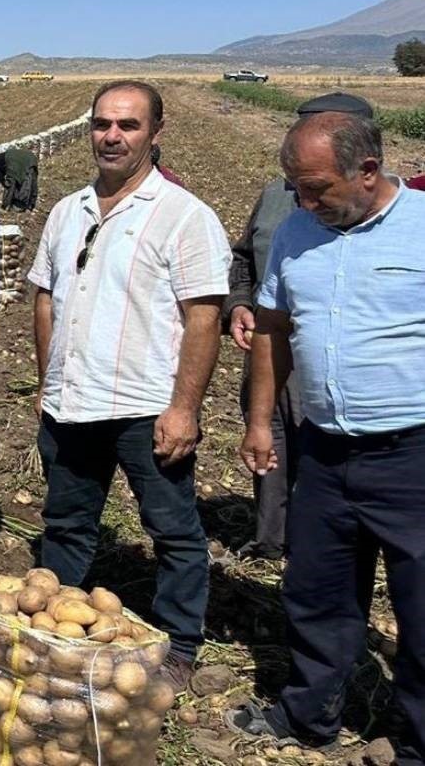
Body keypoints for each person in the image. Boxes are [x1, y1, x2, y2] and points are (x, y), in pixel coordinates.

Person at [228, 112, 425, 763]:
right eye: (296, 188)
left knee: (421, 605)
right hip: (324, 449)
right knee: (316, 592)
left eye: (317, 189)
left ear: (368, 172)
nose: (305, 202)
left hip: (412, 455)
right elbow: (275, 333)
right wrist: (260, 421)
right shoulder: (293, 233)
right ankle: (310, 713)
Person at [27, 79, 229, 688]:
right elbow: (44, 299)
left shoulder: (184, 216)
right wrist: (47, 381)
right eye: (102, 124)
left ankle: (181, 645)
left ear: (155, 133)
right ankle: (54, 630)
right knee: (65, 521)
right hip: (71, 400)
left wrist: (184, 408)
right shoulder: (69, 211)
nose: (112, 136)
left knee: (173, 529)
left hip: (145, 406)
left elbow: (204, 316)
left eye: (128, 125)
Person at [223, 92, 376, 562]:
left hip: (335, 360)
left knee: (323, 453)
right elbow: (244, 258)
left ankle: (321, 548)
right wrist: (239, 304)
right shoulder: (274, 197)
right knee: (268, 436)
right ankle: (271, 542)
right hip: (269, 343)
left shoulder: (394, 215)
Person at [0, 148, 39, 212]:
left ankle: (18, 205)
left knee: (20, 183)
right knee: (30, 181)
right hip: (31, 158)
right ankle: (30, 206)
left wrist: (5, 205)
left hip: (15, 160)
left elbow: (2, 179)